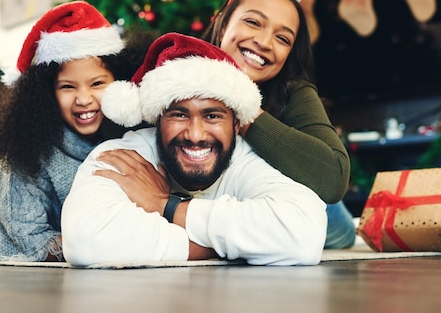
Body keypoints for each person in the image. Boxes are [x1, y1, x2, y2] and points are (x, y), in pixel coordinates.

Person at [62, 32, 327, 266]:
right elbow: (85, 242)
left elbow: (304, 237)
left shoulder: (249, 158)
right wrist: (226, 248)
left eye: (212, 116)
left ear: (236, 124)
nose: (195, 135)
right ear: (158, 121)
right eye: (179, 115)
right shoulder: (123, 156)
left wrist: (166, 206)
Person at [0, 0, 148, 261]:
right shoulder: (26, 151)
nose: (83, 99)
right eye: (68, 87)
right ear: (46, 94)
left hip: (18, 200)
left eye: (97, 83)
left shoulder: (131, 138)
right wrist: (98, 244)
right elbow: (26, 239)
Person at [201, 0, 355, 249]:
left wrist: (250, 116)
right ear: (222, 23)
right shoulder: (176, 74)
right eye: (253, 23)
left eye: (283, 39)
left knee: (341, 231)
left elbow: (334, 178)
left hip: (307, 210)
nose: (265, 42)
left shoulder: (293, 91)